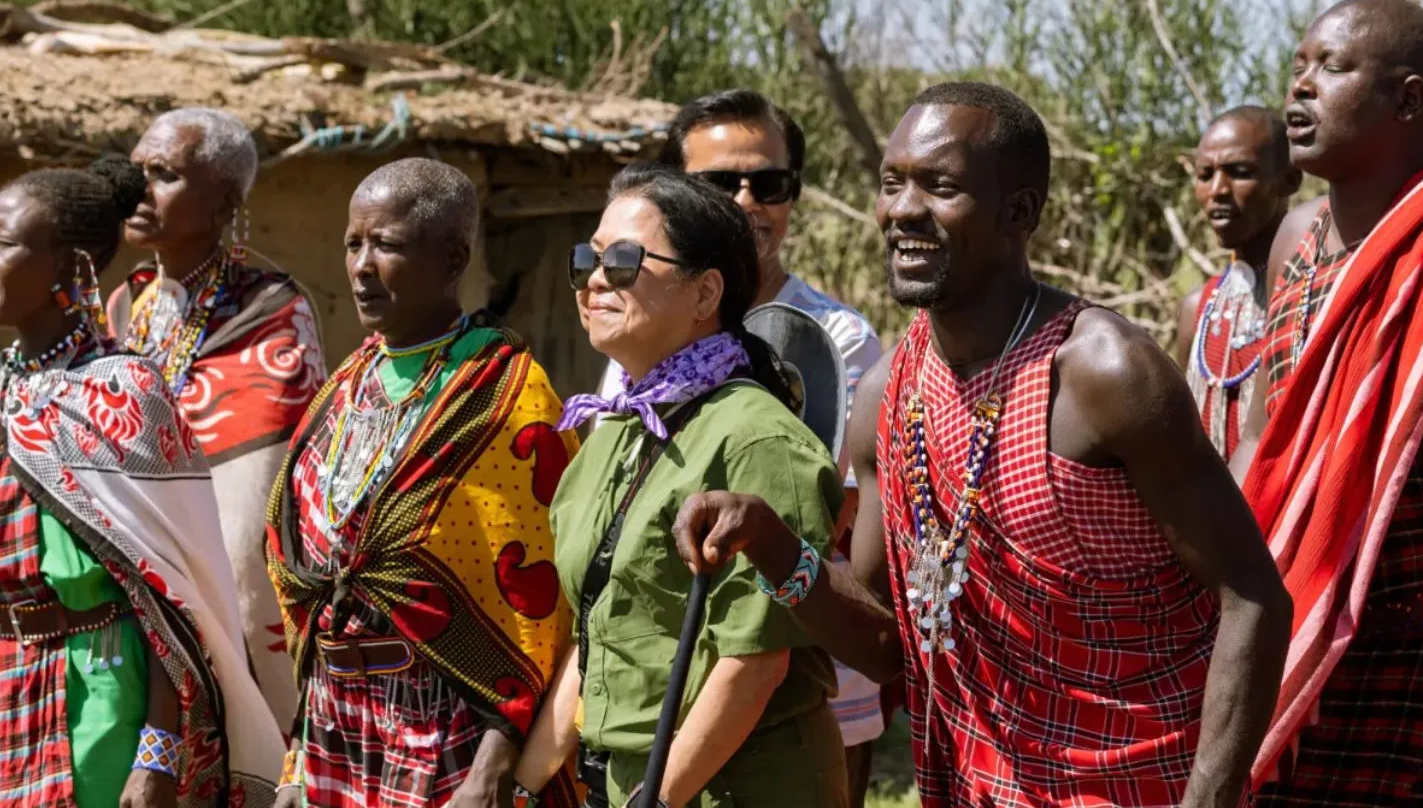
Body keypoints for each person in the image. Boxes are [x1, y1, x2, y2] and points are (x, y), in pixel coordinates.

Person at [668, 82, 1292, 808]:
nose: (902, 210)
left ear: (1018, 213)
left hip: (1138, 788)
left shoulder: (1103, 373)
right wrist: (772, 542)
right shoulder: (889, 395)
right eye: (892, 183)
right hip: (973, 788)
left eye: (940, 186)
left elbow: (1252, 598)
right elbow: (886, 642)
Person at [0, 158, 282, 808]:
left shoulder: (127, 394)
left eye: (3, 241)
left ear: (70, 266)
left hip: (100, 688)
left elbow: (172, 597)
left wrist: (157, 751)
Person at [1226, 0, 1423, 805]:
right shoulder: (1294, 238)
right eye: (1298, 68)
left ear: (1409, 99)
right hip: (1294, 632)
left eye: (1332, 68)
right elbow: (1264, 430)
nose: (1301, 89)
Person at [516, 164, 847, 808]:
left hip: (739, 786)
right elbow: (595, 639)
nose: (594, 280)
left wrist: (657, 800)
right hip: (630, 785)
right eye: (587, 259)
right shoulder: (611, 437)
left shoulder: (756, 441)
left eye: (625, 259)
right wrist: (519, 787)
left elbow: (754, 665)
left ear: (704, 294)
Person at [263, 158, 577, 808]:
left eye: (388, 244)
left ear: (455, 256)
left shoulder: (504, 395)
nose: (361, 265)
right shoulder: (345, 389)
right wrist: (297, 757)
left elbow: (536, 609)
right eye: (354, 242)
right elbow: (310, 576)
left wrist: (492, 766)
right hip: (334, 720)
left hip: (444, 727)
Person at [635, 88, 890, 800]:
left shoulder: (834, 344)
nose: (748, 202)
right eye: (720, 184)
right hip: (662, 680)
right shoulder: (638, 334)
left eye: (769, 183)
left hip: (802, 689)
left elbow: (830, 514)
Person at [111, 107, 326, 730]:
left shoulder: (271, 310)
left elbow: (257, 497)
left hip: (223, 599)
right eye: (136, 172)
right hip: (129, 589)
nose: (139, 191)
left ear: (225, 201)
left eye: (164, 175)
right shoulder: (128, 304)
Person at [1173, 106, 1302, 459]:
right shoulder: (1197, 309)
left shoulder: (1310, 294)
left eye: (1239, 172)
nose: (1217, 190)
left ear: (1289, 180)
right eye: (1205, 174)